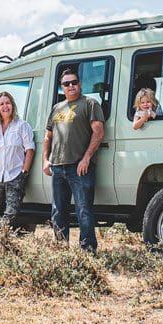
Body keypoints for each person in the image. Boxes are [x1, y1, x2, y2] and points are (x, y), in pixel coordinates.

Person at [42, 67, 104, 252]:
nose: (71, 86)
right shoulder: (56, 108)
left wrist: (86, 159)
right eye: (66, 83)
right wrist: (46, 160)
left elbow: (98, 132)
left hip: (79, 167)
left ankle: (88, 251)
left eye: (74, 82)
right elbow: (48, 136)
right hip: (58, 167)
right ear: (61, 87)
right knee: (58, 211)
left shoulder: (90, 104)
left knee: (83, 211)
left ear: (80, 84)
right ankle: (61, 250)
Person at [0, 91, 35, 235]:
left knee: (11, 212)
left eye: (7, 103)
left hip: (15, 176)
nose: (5, 106)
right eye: (1, 104)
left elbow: (29, 150)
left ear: (12, 105)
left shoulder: (22, 126)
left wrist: (24, 172)